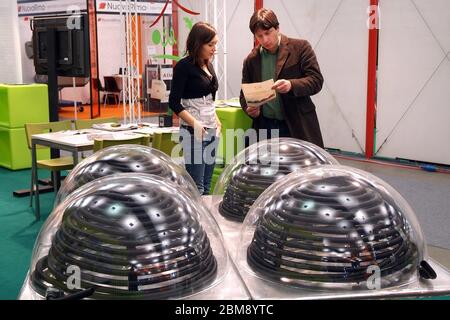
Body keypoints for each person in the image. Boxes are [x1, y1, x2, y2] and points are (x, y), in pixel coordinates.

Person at [240, 8, 324, 148]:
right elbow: (244, 94)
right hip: (265, 127)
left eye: (268, 33)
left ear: (277, 28)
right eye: (259, 36)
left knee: (299, 169)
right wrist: (249, 109)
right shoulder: (251, 60)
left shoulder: (301, 48)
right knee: (267, 169)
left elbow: (316, 80)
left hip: (296, 125)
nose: (265, 40)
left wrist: (292, 85)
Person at [169, 22, 221, 195]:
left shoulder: (208, 65)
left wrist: (218, 122)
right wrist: (194, 124)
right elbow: (174, 102)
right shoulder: (183, 67)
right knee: (197, 187)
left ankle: (208, 222)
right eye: (210, 45)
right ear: (198, 43)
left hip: (212, 130)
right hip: (194, 133)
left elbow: (210, 99)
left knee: (207, 184)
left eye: (215, 44)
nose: (214, 49)